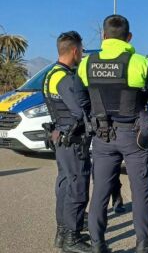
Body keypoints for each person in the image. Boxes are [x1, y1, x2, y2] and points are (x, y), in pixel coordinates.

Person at [77, 15, 148, 253]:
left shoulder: (86, 64)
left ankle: (98, 245)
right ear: (129, 37)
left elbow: (81, 100)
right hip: (135, 136)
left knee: (100, 192)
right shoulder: (140, 62)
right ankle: (143, 246)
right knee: (141, 193)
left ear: (104, 36)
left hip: (102, 136)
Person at [42, 31, 91, 253]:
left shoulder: (50, 74)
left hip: (60, 137)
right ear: (74, 50)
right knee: (77, 187)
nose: (81, 54)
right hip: (73, 140)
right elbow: (79, 111)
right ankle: (72, 237)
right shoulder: (66, 78)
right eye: (81, 50)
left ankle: (62, 233)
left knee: (64, 184)